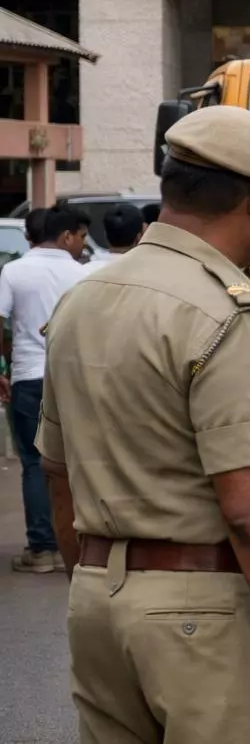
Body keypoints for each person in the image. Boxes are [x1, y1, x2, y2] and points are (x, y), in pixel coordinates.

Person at [35, 105, 250, 744]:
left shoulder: (82, 302)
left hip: (98, 606)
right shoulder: (223, 314)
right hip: (202, 618)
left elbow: (59, 477)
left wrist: (102, 587)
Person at [0, 205, 92, 573]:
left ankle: (41, 550)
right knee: (75, 463)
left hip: (27, 376)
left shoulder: (14, 271)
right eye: (82, 236)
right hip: (74, 379)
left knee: (34, 465)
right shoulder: (82, 274)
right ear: (66, 235)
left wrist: (3, 364)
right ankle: (76, 544)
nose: (83, 244)